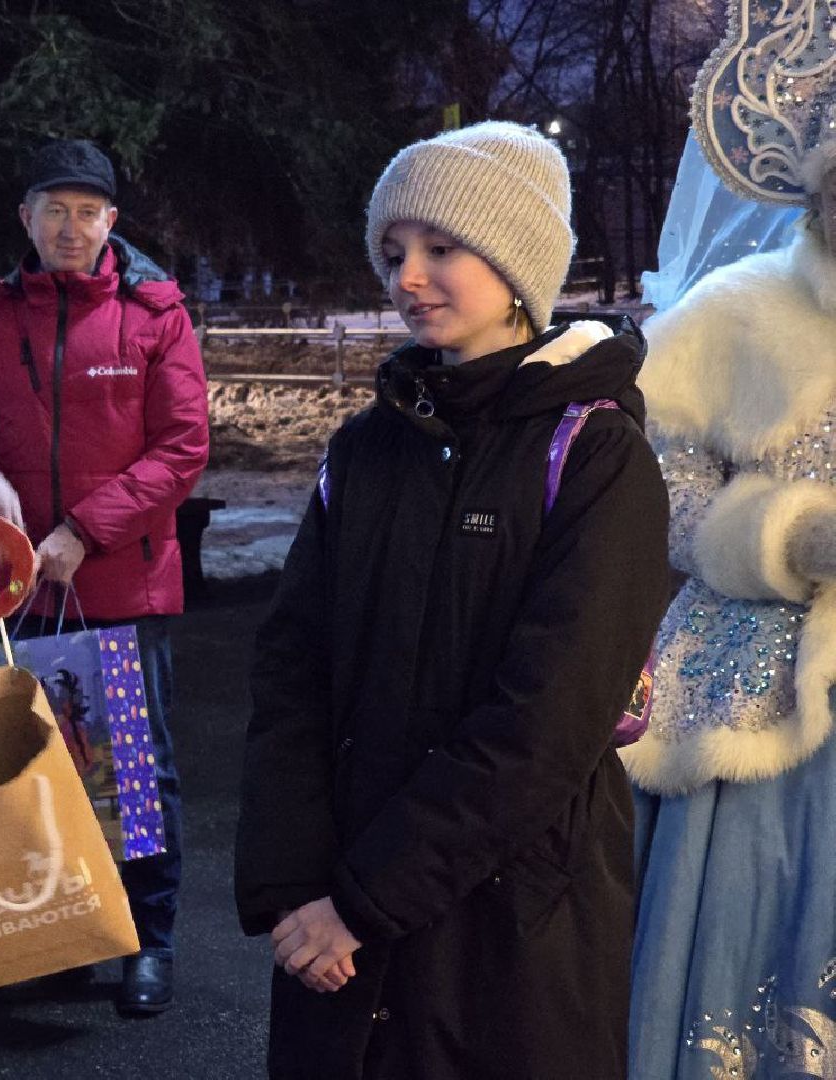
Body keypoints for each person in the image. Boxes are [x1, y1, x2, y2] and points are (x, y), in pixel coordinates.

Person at [234, 121, 669, 1078]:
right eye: (393, 253)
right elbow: (293, 668)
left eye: (442, 248)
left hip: (514, 921)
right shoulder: (367, 448)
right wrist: (297, 887)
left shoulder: (595, 453)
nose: (408, 277)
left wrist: (362, 901)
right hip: (337, 930)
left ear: (516, 265)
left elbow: (549, 720)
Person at [0, 138, 208, 1015]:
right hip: (18, 593)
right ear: (27, 217)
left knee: (129, 768)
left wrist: (85, 531)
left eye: (87, 212)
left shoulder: (155, 318)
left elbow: (183, 451)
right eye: (54, 209)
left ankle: (145, 943)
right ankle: (59, 936)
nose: (70, 226)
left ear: (111, 223)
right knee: (38, 770)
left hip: (119, 586)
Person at [624, 143, 836, 1077]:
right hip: (753, 669)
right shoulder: (735, 310)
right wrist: (785, 540)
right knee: (743, 908)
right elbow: (660, 474)